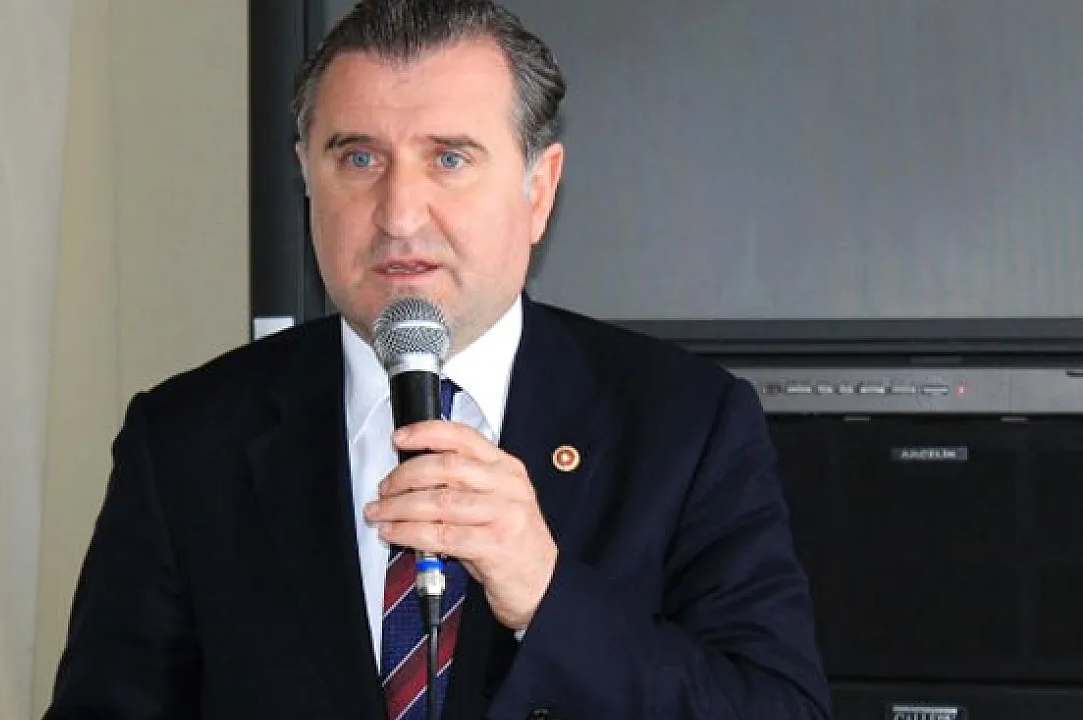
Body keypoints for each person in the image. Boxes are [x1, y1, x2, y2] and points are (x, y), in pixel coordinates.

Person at [42, 1, 832, 718]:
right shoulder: (186, 439)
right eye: (359, 159)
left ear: (539, 190)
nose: (398, 214)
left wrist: (548, 595)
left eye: (449, 159)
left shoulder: (684, 423)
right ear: (307, 177)